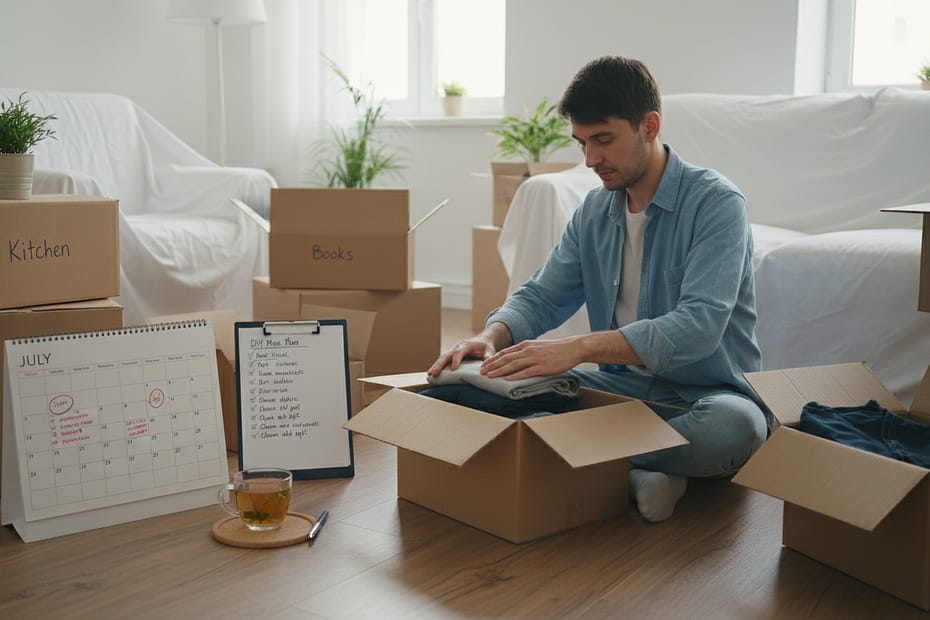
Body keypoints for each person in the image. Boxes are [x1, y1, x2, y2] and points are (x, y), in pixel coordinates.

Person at [428, 55, 770, 523]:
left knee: (737, 429)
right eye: (582, 143)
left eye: (604, 140)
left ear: (649, 126)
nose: (590, 160)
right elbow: (543, 294)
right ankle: (639, 472)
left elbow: (699, 328)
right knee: (459, 392)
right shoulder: (594, 212)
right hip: (620, 390)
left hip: (702, 396)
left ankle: (574, 459)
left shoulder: (717, 204)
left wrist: (578, 348)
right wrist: (491, 337)